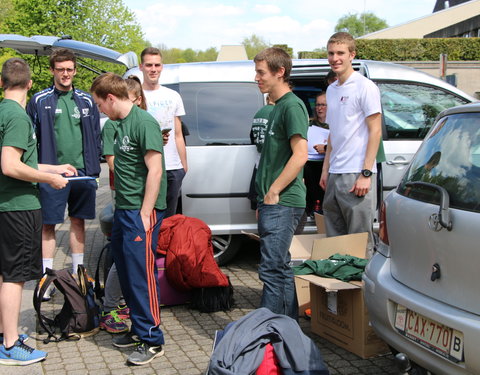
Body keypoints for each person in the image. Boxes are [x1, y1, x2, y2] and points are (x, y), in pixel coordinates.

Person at [0, 57, 76, 365]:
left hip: (6, 207)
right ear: (31, 84)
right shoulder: (17, 116)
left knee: (5, 273)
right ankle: (10, 344)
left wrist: (54, 167)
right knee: (14, 278)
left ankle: (3, 333)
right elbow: (9, 165)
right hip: (18, 208)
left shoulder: (3, 112)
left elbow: (21, 160)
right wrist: (50, 178)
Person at [91, 72, 167, 366]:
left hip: (140, 211)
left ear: (111, 98)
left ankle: (152, 339)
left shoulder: (143, 122)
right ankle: (137, 329)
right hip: (124, 208)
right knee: (124, 272)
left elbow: (156, 171)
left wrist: (146, 213)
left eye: (100, 104)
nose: (100, 109)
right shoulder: (117, 124)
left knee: (141, 276)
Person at [26, 48, 101, 286]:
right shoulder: (39, 100)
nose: (65, 74)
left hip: (82, 173)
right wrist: (41, 172)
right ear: (52, 70)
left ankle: (79, 272)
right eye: (60, 69)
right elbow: (30, 138)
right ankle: (45, 278)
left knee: (78, 221)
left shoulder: (87, 101)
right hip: (51, 174)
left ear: (75, 71)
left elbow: (96, 136)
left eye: (69, 69)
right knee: (49, 224)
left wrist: (93, 171)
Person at [254, 47, 309, 320]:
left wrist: (274, 191)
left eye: (261, 72)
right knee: (280, 267)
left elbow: (301, 155)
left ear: (280, 72)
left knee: (272, 268)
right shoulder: (274, 108)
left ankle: (268, 328)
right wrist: (263, 196)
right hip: (271, 202)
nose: (256, 77)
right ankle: (286, 330)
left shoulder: (292, 106)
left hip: (284, 201)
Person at [320, 32, 382, 256]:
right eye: (331, 53)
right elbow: (333, 134)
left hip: (356, 173)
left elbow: (375, 130)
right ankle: (340, 290)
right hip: (336, 173)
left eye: (340, 53)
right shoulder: (332, 89)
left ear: (351, 55)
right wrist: (326, 170)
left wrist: (366, 173)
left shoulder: (365, 87)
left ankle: (363, 291)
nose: (335, 58)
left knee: (359, 243)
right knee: (335, 242)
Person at [99, 76, 147, 334]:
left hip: (136, 200)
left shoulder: (140, 123)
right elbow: (114, 162)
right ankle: (109, 308)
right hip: (126, 200)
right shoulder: (112, 126)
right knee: (123, 258)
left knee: (130, 258)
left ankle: (124, 302)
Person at [140, 47, 187, 218]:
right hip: (145, 167)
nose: (153, 69)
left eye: (157, 65)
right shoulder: (135, 96)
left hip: (172, 168)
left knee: (169, 220)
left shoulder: (173, 96)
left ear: (162, 67)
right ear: (141, 67)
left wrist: (183, 166)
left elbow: (178, 134)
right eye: (149, 65)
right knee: (147, 218)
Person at [248, 95, 275, 210]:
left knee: (261, 207)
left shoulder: (259, 113)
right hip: (271, 166)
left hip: (259, 165)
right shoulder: (276, 112)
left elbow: (252, 137)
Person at [304, 92, 329, 216]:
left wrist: (326, 148)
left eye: (323, 105)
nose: (320, 108)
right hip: (309, 162)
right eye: (318, 105)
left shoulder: (335, 124)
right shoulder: (309, 123)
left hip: (326, 163)